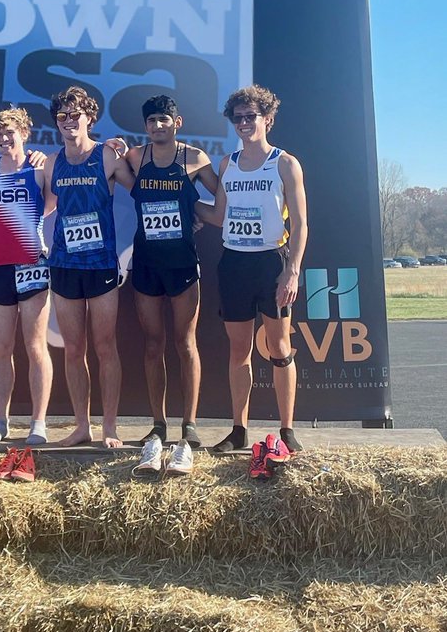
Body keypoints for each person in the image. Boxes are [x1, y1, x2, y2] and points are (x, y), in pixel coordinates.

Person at [203, 85, 308, 455]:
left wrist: (292, 271)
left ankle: (287, 430)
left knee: (279, 348)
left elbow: (301, 224)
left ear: (268, 119)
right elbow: (219, 215)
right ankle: (238, 429)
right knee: (239, 351)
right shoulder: (227, 164)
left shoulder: (285, 163)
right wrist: (182, 202)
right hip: (234, 262)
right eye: (238, 118)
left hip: (271, 262)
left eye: (251, 116)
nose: (244, 123)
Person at [126, 95, 218, 457]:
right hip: (146, 263)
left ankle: (189, 424)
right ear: (145, 126)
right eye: (151, 120)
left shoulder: (194, 158)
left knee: (185, 343)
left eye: (164, 119)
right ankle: (158, 423)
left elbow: (224, 204)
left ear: (177, 123)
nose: (157, 125)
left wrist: (195, 210)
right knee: (153, 344)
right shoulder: (136, 157)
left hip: (182, 265)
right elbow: (105, 161)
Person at [42, 86, 134, 448]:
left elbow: (142, 190)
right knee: (73, 349)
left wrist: (187, 213)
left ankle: (109, 427)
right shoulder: (51, 162)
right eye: (62, 116)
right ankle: (82, 425)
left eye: (75, 115)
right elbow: (43, 207)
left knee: (105, 346)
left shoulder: (107, 156)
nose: (68, 121)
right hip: (64, 264)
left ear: (89, 119)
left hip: (100, 265)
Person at [0, 107, 53, 447]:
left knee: (35, 346)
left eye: (10, 132)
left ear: (24, 133)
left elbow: (54, 200)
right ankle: (1, 422)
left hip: (32, 263)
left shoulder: (41, 167)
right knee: (1, 349)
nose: (4, 139)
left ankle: (38, 423)